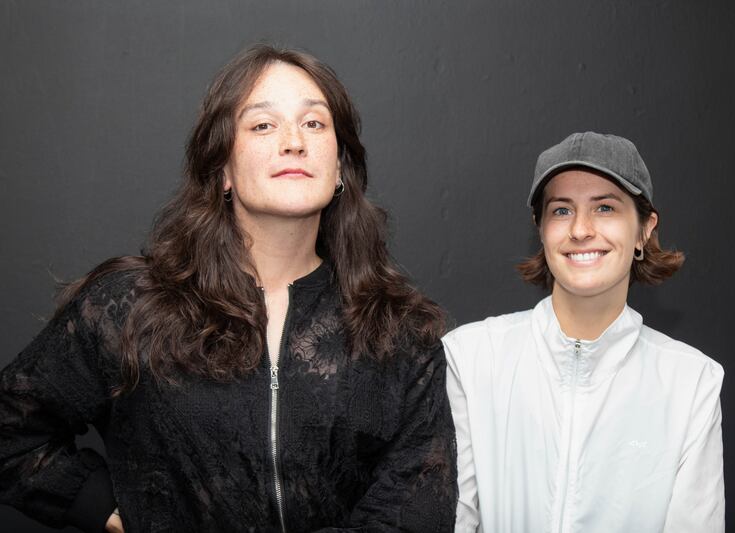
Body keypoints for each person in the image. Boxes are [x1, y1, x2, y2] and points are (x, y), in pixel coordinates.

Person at [0, 44, 456, 533]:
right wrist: (112, 509)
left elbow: (416, 511)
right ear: (222, 170)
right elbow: (11, 430)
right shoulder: (132, 304)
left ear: (340, 166)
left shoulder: (399, 329)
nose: (293, 142)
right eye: (263, 125)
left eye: (314, 124)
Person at [444, 132, 724, 532]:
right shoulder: (470, 358)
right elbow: (453, 518)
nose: (580, 230)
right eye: (561, 211)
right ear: (540, 229)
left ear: (644, 229)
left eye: (605, 208)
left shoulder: (692, 383)